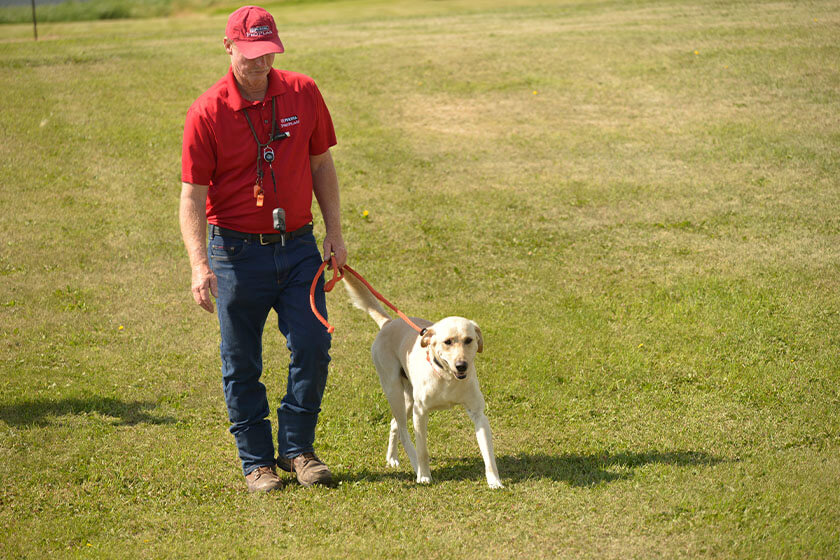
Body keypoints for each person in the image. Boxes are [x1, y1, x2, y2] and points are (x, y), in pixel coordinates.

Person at [179, 5, 347, 492]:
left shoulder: (303, 91)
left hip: (298, 247)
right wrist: (198, 264)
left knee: (313, 346)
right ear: (228, 47)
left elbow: (321, 165)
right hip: (234, 253)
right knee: (241, 360)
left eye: (267, 53)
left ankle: (297, 448)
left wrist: (334, 232)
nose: (260, 64)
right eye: (250, 54)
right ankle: (257, 461)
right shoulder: (207, 111)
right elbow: (191, 195)